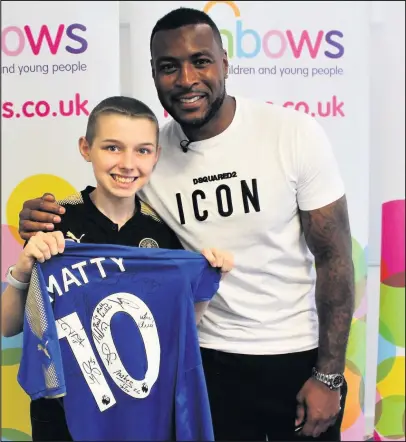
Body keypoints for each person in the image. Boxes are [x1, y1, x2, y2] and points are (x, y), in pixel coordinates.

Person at [17, 7, 355, 442]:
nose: (186, 79)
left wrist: (328, 375)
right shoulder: (150, 155)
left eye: (201, 60)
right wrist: (44, 213)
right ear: (155, 75)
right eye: (168, 67)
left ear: (225, 63)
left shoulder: (292, 133)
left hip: (294, 355)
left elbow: (335, 257)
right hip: (202, 362)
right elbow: (104, 200)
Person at [4, 95, 233, 441]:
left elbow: (179, 326)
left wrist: (208, 278)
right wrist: (23, 268)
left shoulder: (163, 234)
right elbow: (8, 326)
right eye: (113, 148)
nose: (127, 164)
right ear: (86, 148)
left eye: (142, 151)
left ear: (155, 156)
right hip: (62, 418)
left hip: (138, 416)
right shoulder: (55, 221)